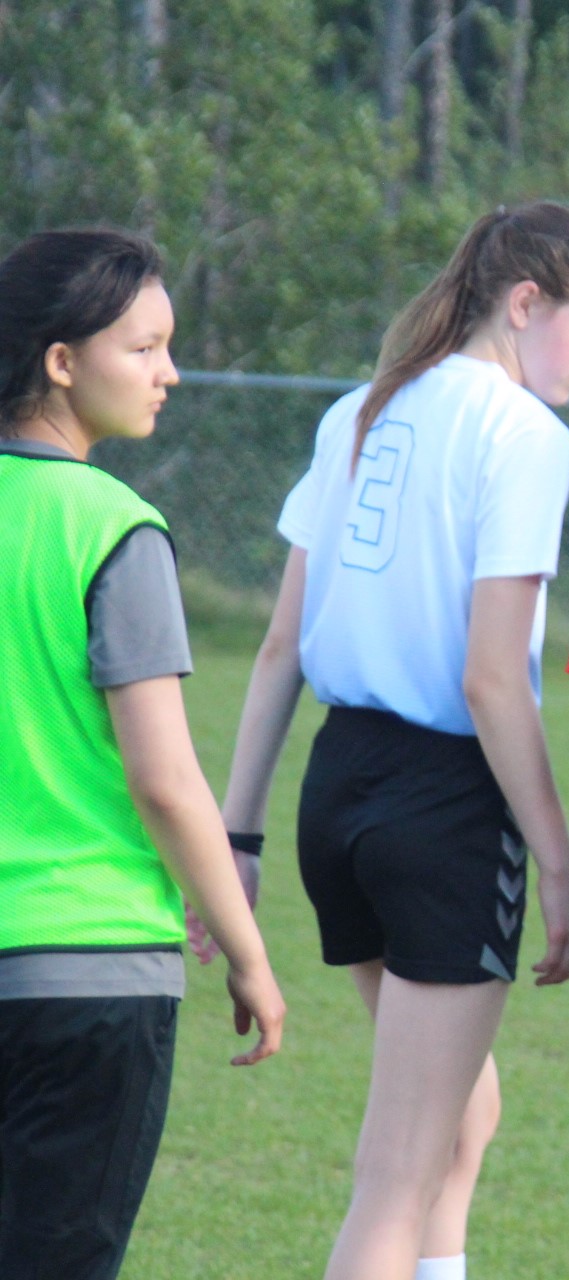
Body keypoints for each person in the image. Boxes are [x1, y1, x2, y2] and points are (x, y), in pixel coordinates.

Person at [216, 201, 569, 1280]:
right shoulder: (527, 434)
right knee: (394, 1175)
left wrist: (241, 838)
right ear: (526, 301)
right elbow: (494, 678)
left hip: (337, 793)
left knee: (466, 1112)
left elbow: (278, 650)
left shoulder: (363, 405)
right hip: (445, 803)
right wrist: (558, 866)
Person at [0, 229, 286, 1280]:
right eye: (146, 346)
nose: (170, 371)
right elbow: (164, 780)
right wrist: (248, 950)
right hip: (85, 975)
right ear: (61, 360)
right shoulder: (115, 527)